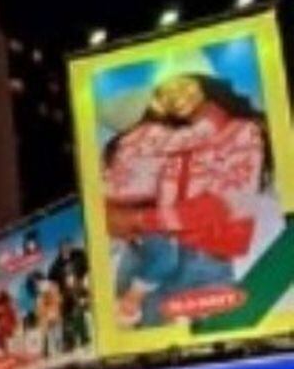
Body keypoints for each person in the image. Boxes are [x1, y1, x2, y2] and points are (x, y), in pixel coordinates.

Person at [100, 56, 271, 331]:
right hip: (147, 259)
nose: (174, 97)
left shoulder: (241, 131)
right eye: (164, 92)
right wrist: (112, 216)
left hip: (204, 266)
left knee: (223, 355)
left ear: (206, 82)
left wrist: (140, 220)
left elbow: (223, 205)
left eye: (183, 84)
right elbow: (124, 189)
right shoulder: (163, 138)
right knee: (148, 363)